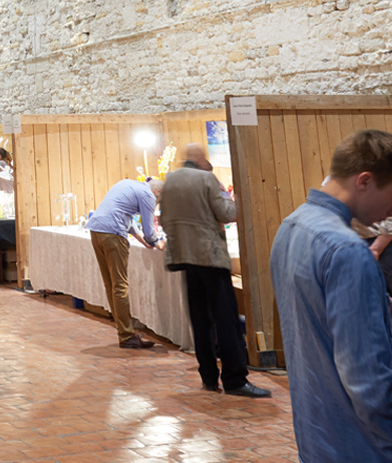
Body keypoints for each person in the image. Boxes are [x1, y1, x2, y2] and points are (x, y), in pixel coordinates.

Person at [270, 130, 392, 463]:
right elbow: (370, 387)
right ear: (364, 180)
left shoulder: (291, 225)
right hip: (367, 451)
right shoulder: (347, 250)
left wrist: (381, 309)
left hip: (319, 438)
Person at [164, 144, 267, 396]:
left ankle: (209, 378)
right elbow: (227, 213)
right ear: (200, 159)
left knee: (200, 321)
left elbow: (165, 218)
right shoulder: (207, 179)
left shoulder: (170, 180)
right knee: (226, 320)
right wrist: (234, 197)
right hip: (210, 256)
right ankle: (235, 380)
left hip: (185, 258)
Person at [84, 176, 165, 349]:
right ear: (157, 192)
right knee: (120, 285)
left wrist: (144, 241)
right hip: (113, 234)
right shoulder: (148, 195)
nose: (156, 203)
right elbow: (150, 231)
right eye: (159, 200)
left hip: (96, 231)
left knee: (110, 284)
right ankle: (127, 335)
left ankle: (123, 331)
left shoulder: (128, 184)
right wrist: (157, 242)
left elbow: (127, 220)